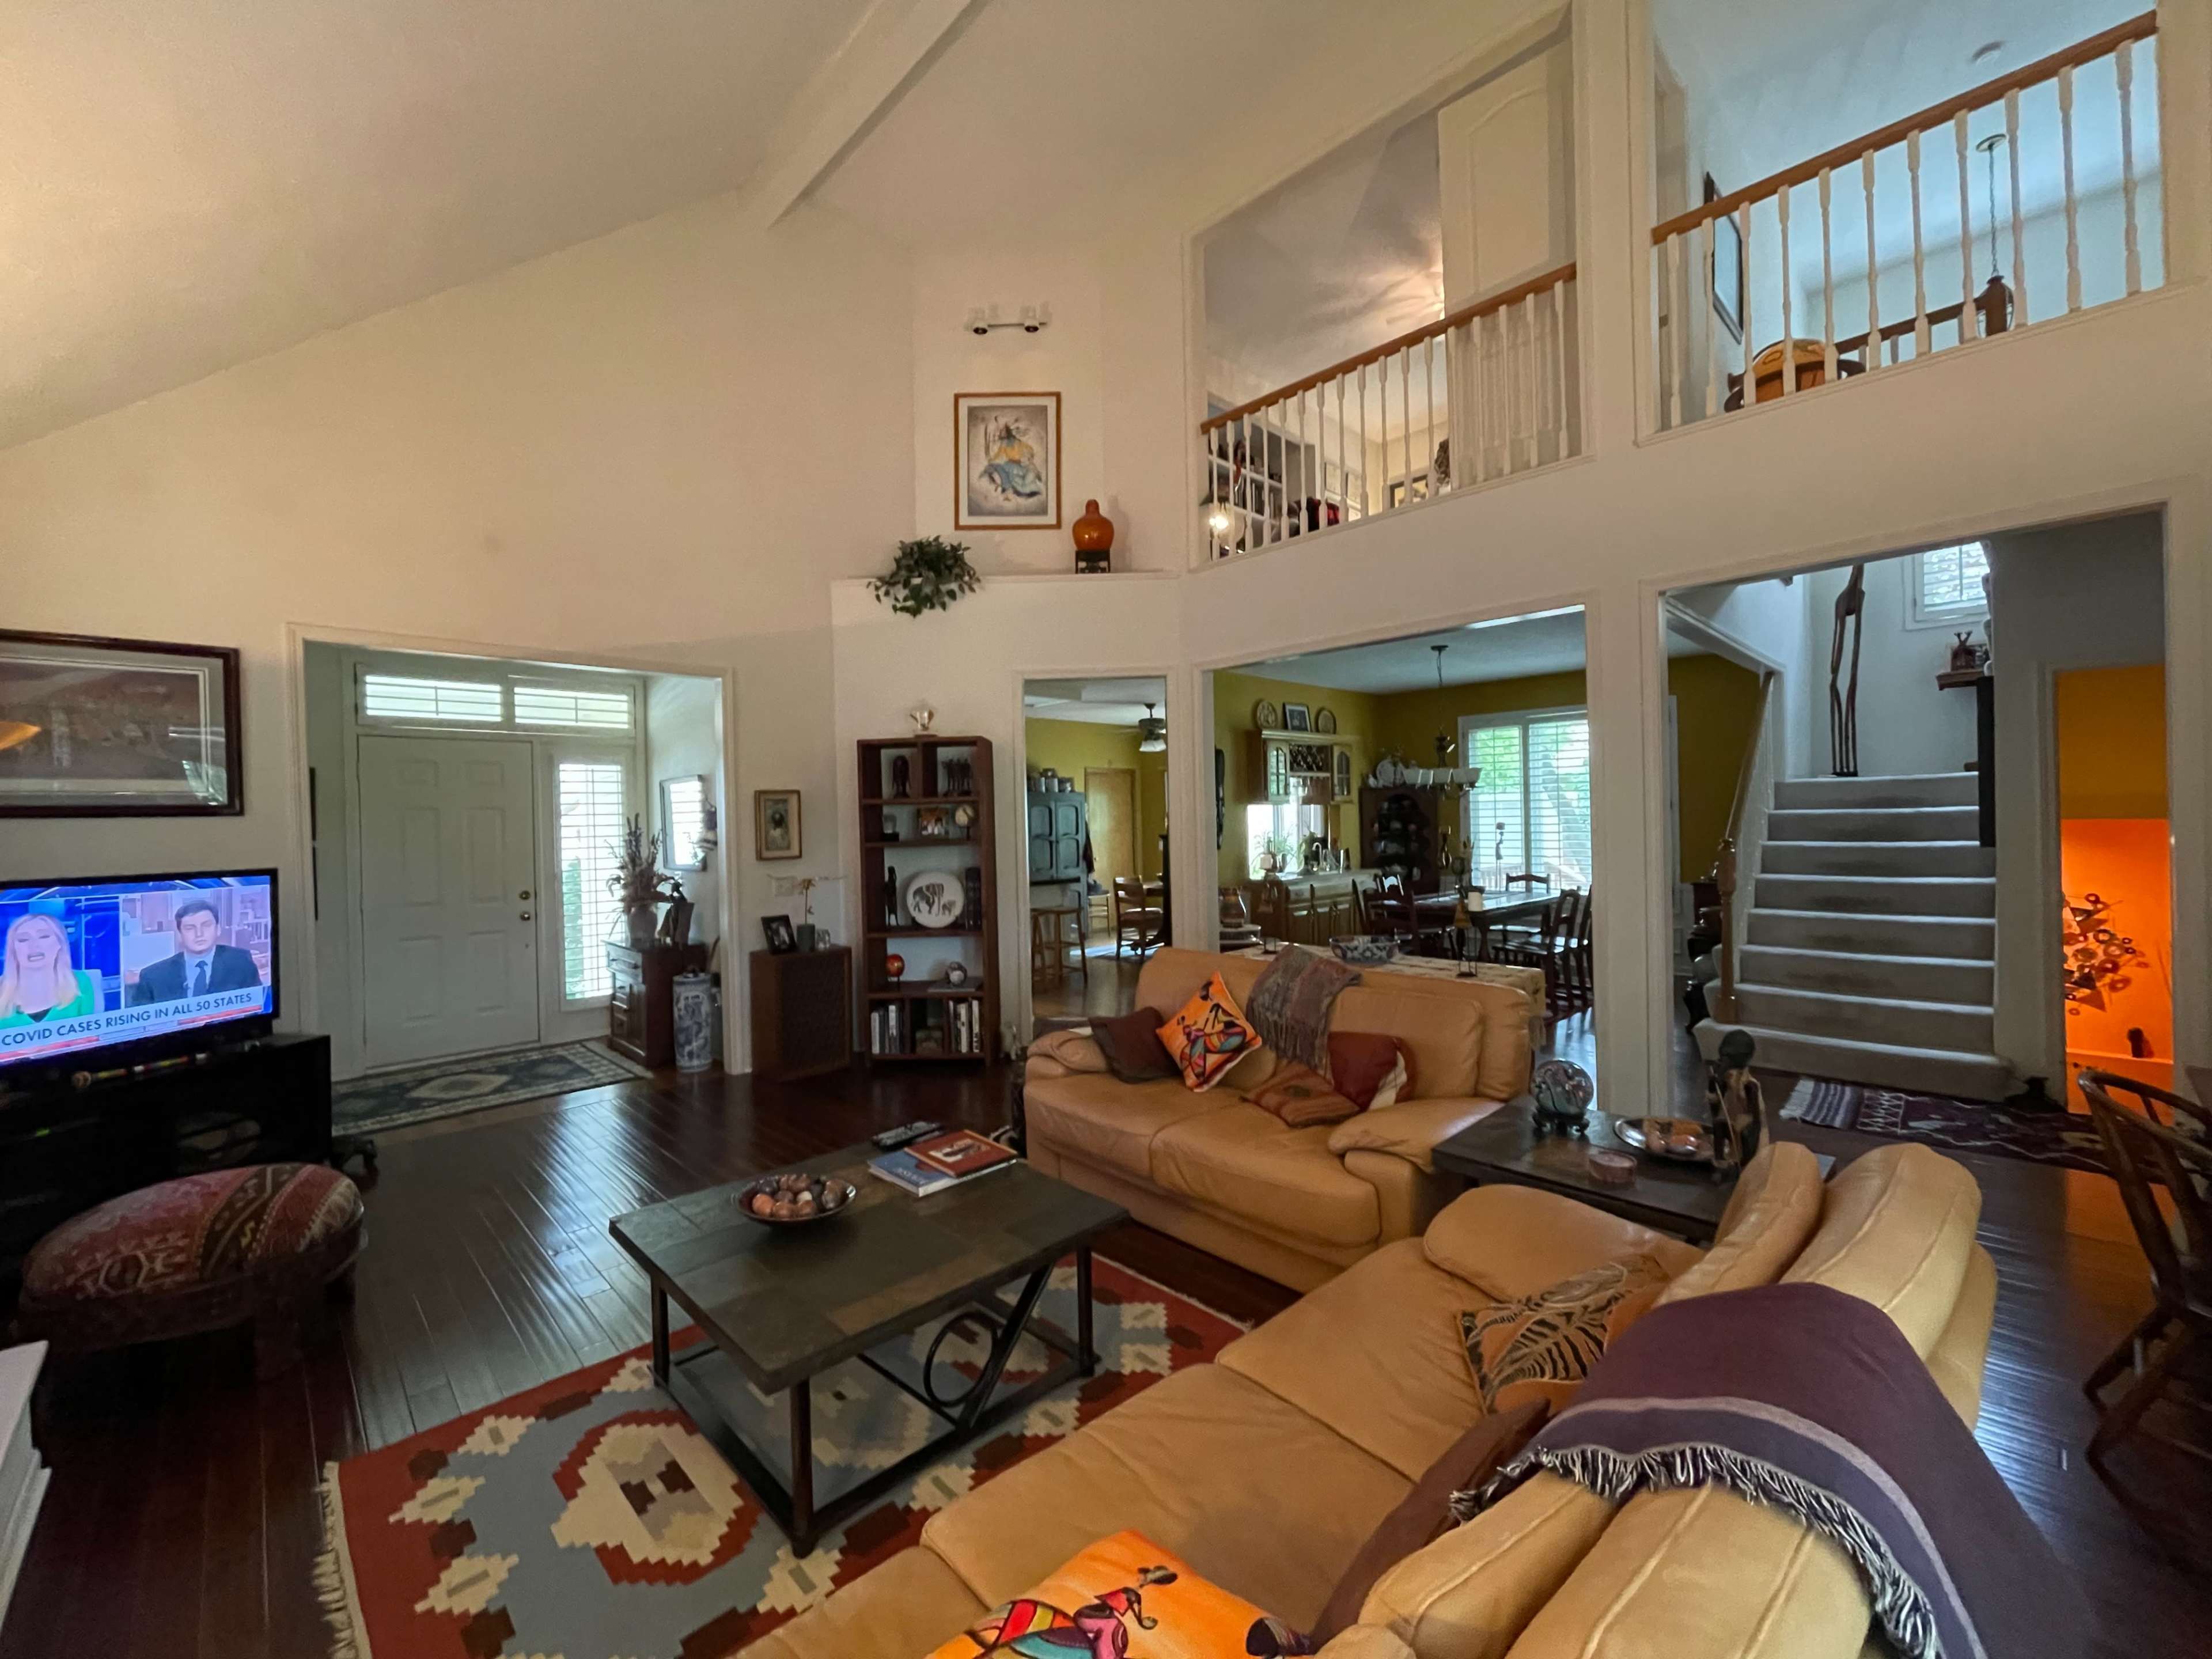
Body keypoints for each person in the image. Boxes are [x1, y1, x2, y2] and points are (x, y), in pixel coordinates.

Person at [129, 897, 262, 1005]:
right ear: (180, 935)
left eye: (206, 925)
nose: (199, 934)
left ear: (218, 929)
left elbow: (259, 1006)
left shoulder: (241, 962)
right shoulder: (153, 976)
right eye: (190, 928)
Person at [0, 912, 105, 1027]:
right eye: (23, 939)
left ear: (60, 943)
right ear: (13, 949)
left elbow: (87, 1038)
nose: (34, 946)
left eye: (44, 937)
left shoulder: (81, 982)